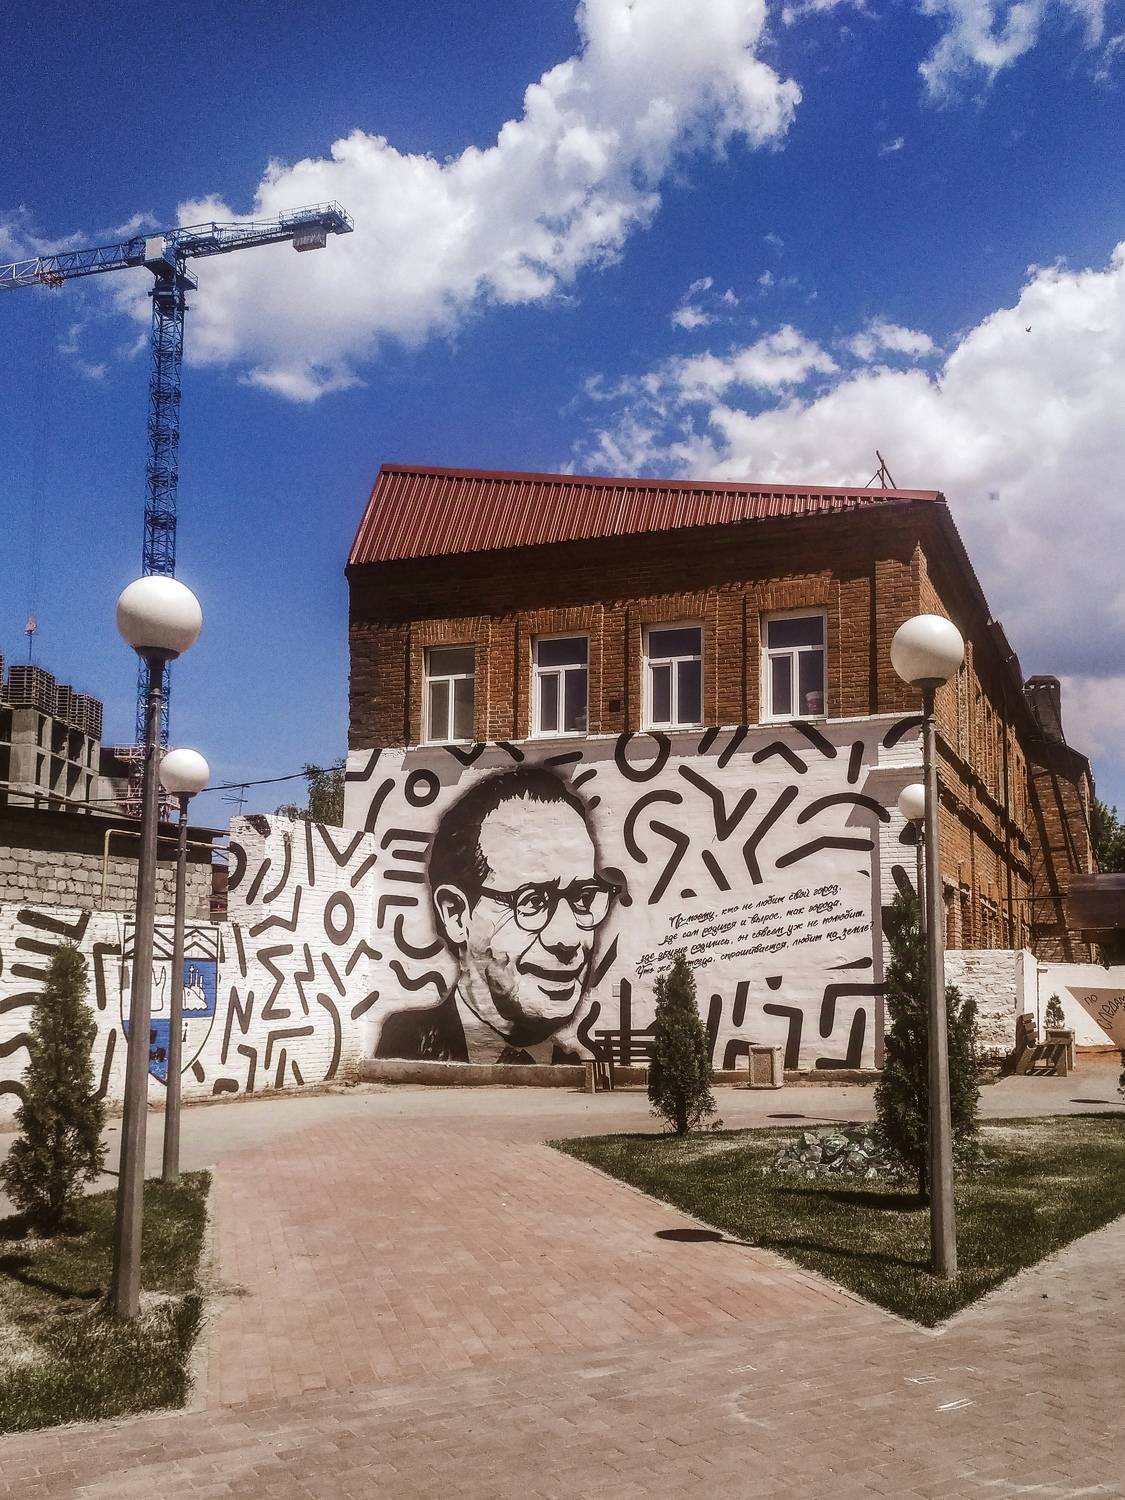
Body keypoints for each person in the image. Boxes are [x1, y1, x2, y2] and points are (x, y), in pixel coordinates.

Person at [375, 766, 616, 1063]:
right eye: (533, 901)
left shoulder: (574, 1067)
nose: (568, 939)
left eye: (583, 898)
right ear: (456, 914)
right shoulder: (404, 1045)